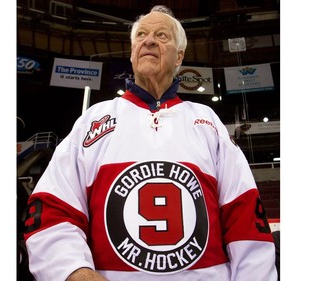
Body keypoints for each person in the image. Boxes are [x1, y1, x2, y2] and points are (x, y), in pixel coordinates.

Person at [24, 5, 278, 281]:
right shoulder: (94, 119)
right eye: (141, 35)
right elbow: (51, 209)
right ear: (133, 53)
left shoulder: (206, 121)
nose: (148, 40)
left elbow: (245, 217)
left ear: (179, 55)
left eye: (162, 35)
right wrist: (74, 271)